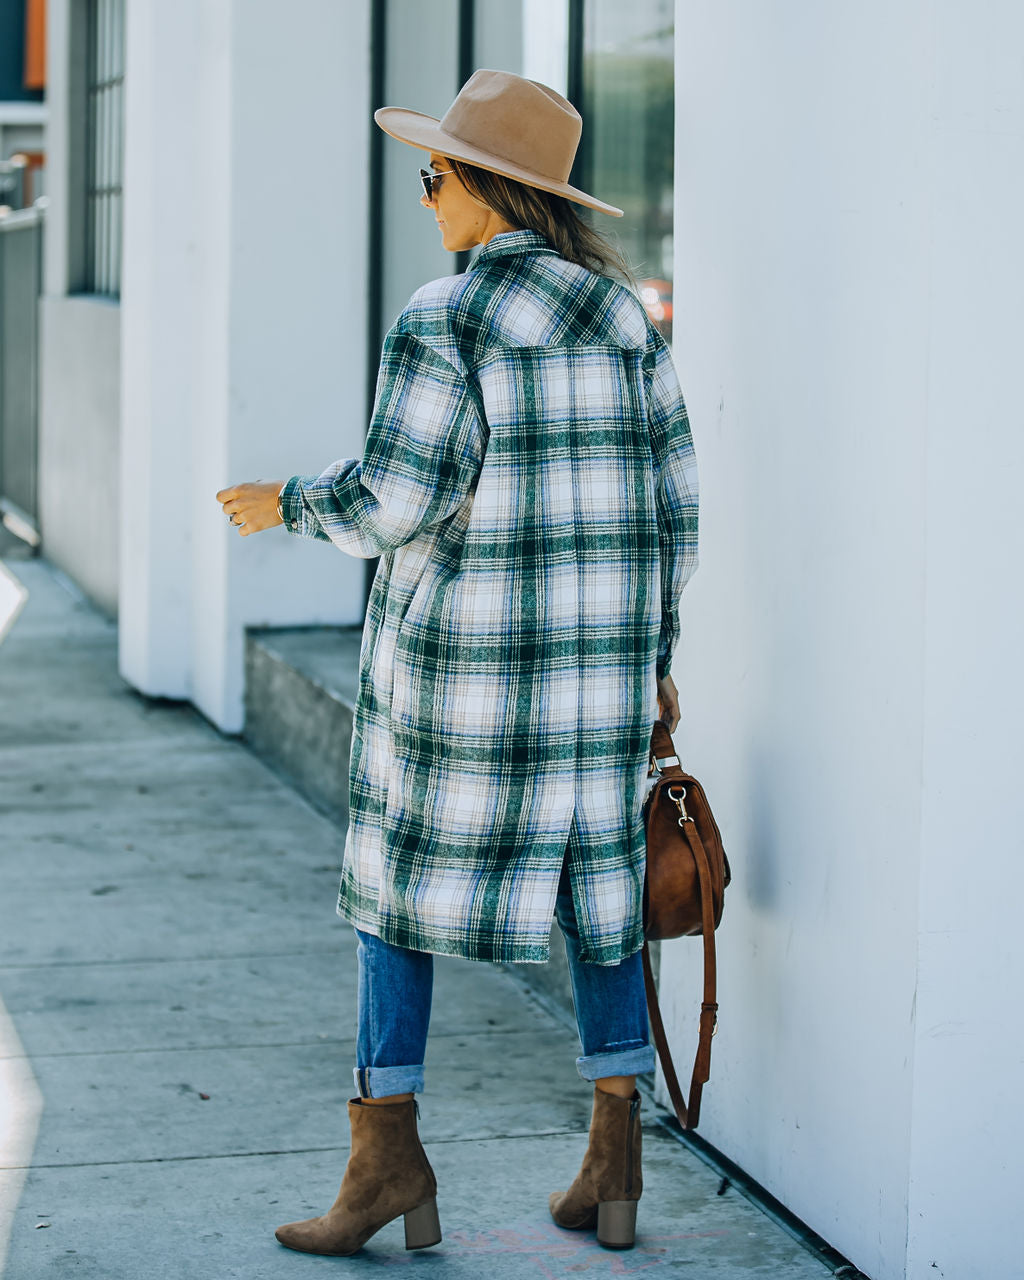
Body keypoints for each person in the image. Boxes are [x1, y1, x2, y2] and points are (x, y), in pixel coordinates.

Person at [215, 68, 698, 1258]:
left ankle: (386, 1160)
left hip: (462, 682)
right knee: (600, 897)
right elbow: (677, 511)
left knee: (392, 894)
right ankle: (613, 1162)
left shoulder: (447, 317)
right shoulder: (622, 315)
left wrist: (288, 502)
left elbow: (395, 498)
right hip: (596, 681)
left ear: (489, 187)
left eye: (435, 177)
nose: (426, 196)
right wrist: (651, 656)